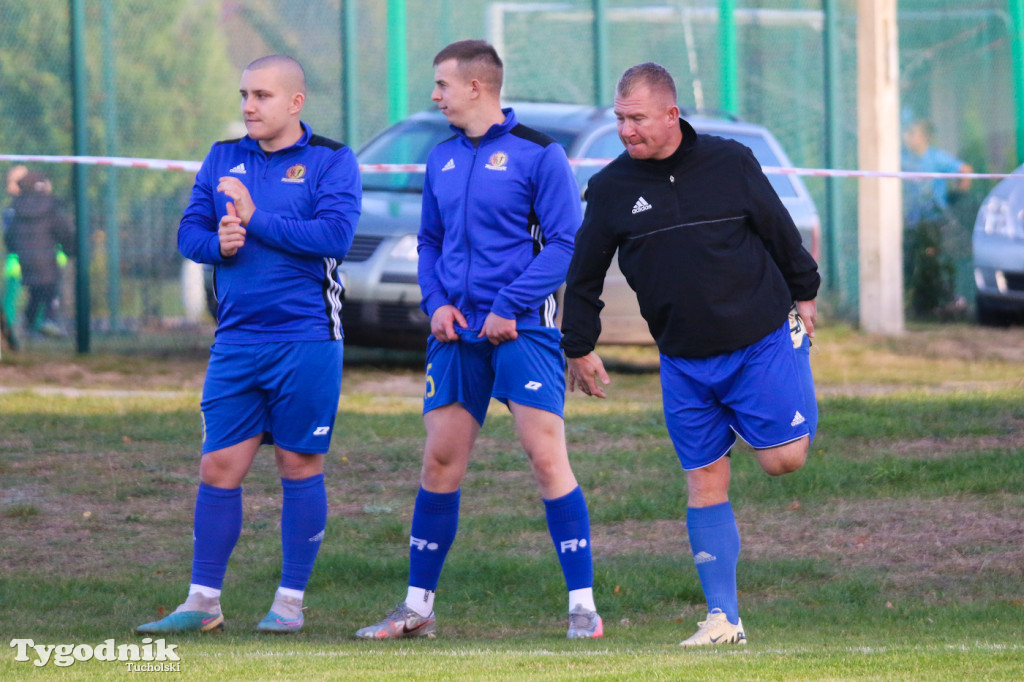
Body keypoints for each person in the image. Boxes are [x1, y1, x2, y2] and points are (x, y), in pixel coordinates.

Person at [560, 63, 819, 647]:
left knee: (785, 462)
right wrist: (578, 345)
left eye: (637, 119)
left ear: (672, 114)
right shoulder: (609, 190)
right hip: (683, 360)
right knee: (703, 480)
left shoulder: (730, 162)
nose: (626, 130)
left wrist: (805, 291)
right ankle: (723, 618)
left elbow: (779, 230)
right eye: (620, 119)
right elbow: (584, 275)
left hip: (761, 340)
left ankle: (783, 388)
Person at [355, 40, 602, 640]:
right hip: (457, 335)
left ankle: (583, 609)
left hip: (524, 330)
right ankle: (417, 608)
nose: (434, 95)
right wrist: (437, 304)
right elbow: (431, 242)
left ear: (477, 87)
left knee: (547, 460)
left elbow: (567, 246)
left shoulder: (540, 156)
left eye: (442, 84)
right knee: (440, 461)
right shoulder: (439, 158)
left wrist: (506, 307)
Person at [136, 54, 361, 635]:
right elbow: (189, 233)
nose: (248, 106)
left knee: (298, 463)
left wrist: (256, 220)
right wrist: (221, 244)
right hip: (236, 340)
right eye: (243, 94)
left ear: (295, 102)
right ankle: (202, 602)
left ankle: (289, 604)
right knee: (218, 466)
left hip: (307, 337)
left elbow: (335, 237)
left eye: (261, 95)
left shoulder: (332, 160)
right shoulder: (221, 156)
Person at [901, 118, 973, 318]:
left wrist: (955, 198)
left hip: (933, 221)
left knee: (934, 261)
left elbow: (966, 171)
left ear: (925, 137)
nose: (907, 137)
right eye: (906, 133)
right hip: (910, 221)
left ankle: (951, 302)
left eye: (912, 133)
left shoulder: (936, 158)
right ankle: (917, 305)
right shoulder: (901, 158)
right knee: (908, 261)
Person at [3, 170, 74, 338]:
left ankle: (30, 325)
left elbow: (9, 236)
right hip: (47, 260)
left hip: (25, 260)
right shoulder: (50, 207)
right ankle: (48, 321)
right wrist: (70, 249)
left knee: (35, 293)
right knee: (50, 291)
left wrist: (16, 251)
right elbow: (64, 231)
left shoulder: (16, 208)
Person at [1, 165, 28, 349]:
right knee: (10, 302)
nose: (9, 187)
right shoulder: (12, 209)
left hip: (32, 261)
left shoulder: (31, 206)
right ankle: (9, 338)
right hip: (17, 263)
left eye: (13, 182)